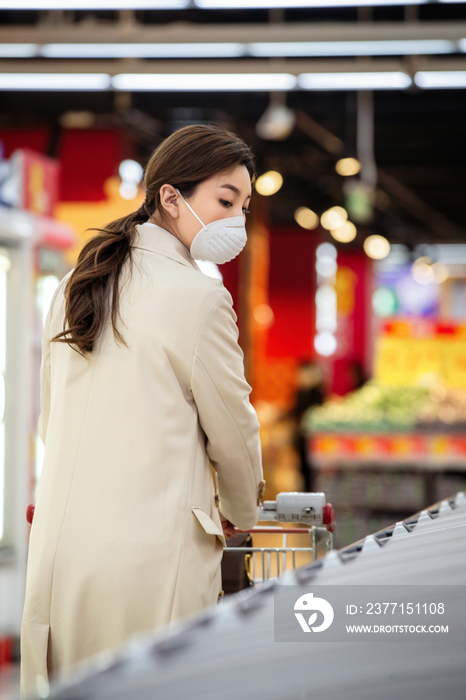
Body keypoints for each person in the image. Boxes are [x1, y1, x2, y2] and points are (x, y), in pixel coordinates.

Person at [20, 124, 266, 698]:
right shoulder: (200, 296)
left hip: (62, 554)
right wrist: (242, 513)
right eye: (225, 202)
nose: (238, 221)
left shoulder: (76, 283)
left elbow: (48, 420)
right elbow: (233, 431)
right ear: (171, 197)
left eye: (245, 207)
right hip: (153, 559)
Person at [291, 360, 325, 493]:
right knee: (303, 467)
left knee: (311, 467)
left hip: (313, 437)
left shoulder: (317, 392)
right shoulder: (300, 391)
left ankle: (311, 491)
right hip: (302, 436)